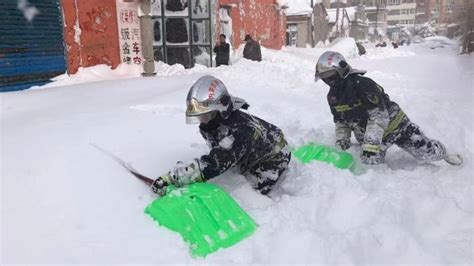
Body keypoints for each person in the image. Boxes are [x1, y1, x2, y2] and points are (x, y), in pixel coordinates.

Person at [314, 51, 462, 166]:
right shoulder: (333, 97)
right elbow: (341, 121)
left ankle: (443, 152)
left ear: (341, 69)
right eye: (324, 77)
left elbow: (379, 116)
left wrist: (371, 146)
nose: (328, 81)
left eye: (330, 75)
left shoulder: (363, 85)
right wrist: (342, 143)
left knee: (426, 153)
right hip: (370, 136)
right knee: (371, 168)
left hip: (396, 127)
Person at [151, 75, 291, 196]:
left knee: (247, 193)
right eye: (199, 116)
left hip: (273, 157)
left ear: (220, 109)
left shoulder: (238, 133)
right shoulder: (220, 119)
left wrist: (173, 178)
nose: (202, 121)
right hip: (255, 146)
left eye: (206, 115)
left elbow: (214, 164)